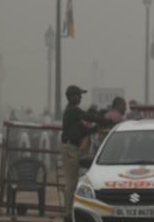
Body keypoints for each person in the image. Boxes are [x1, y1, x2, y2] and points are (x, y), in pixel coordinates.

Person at [60, 85, 106, 219]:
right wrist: (103, 120)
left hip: (72, 148)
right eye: (78, 95)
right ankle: (68, 215)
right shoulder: (73, 110)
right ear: (71, 97)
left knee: (73, 182)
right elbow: (88, 117)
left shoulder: (72, 113)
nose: (80, 97)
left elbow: (84, 130)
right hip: (70, 148)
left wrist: (97, 128)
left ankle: (70, 213)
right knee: (71, 183)